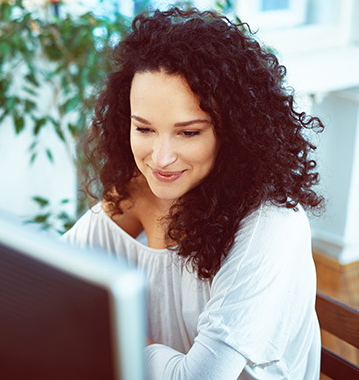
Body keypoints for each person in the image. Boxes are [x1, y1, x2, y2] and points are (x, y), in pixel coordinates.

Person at [62, 6, 324, 379]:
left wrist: (115, 334)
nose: (161, 159)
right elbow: (52, 271)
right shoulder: (139, 191)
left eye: (188, 132)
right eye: (144, 129)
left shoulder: (271, 223)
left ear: (233, 131)